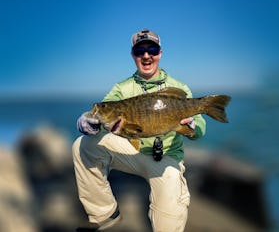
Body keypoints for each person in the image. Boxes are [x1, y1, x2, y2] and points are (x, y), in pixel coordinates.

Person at [72, 29, 206, 232]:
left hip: (167, 161)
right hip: (132, 153)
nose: (146, 55)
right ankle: (104, 214)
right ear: (133, 55)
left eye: (152, 49)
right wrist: (87, 120)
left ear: (160, 53)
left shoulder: (179, 88)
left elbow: (200, 129)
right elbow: (105, 107)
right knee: (83, 145)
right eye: (139, 51)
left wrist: (191, 126)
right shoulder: (122, 88)